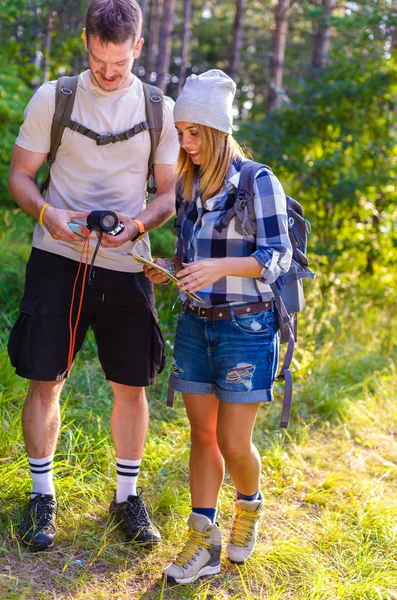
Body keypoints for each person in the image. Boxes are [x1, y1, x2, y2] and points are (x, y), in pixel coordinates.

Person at [7, 0, 178, 551]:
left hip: (127, 262)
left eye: (119, 63)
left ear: (139, 49)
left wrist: (140, 224)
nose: (107, 73)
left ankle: (126, 498)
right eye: (99, 60)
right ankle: (41, 495)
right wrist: (46, 214)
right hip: (56, 256)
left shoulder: (160, 108)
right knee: (45, 377)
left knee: (131, 384)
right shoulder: (52, 97)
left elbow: (172, 193)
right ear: (86, 40)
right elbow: (20, 176)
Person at [144, 70, 292, 583]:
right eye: (180, 133)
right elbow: (194, 257)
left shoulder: (257, 180)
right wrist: (168, 266)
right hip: (195, 326)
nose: (186, 144)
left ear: (218, 131)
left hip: (245, 329)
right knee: (201, 436)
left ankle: (249, 507)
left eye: (194, 134)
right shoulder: (189, 185)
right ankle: (202, 540)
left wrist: (222, 268)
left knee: (233, 442)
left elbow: (277, 257)